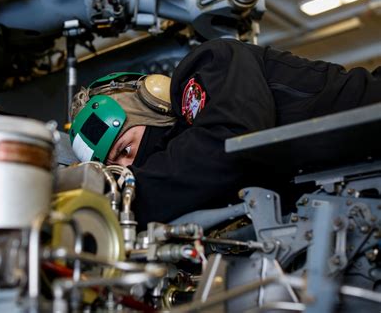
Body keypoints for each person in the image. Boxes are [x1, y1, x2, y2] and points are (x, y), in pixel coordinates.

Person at [70, 38, 381, 228]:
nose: (130, 169)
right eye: (118, 168)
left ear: (157, 103)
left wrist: (121, 202)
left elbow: (230, 140)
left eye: (127, 150)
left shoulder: (207, 64)